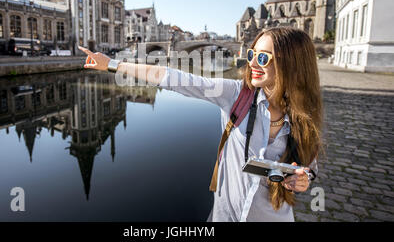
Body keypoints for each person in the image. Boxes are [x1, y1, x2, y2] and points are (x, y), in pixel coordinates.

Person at [78, 27, 322, 222]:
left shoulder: (305, 117)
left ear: (291, 63)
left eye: (263, 57)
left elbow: (309, 168)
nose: (252, 64)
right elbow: (174, 78)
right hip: (226, 216)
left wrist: (302, 179)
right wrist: (112, 64)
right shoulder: (236, 95)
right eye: (251, 54)